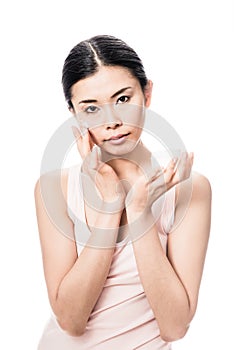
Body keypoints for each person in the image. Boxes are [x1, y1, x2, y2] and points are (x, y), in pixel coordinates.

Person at [34, 35, 211, 349]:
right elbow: (71, 321)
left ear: (147, 93)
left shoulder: (188, 189)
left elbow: (174, 326)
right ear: (74, 113)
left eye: (123, 99)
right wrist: (111, 206)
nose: (112, 121)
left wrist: (140, 213)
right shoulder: (54, 188)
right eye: (91, 108)